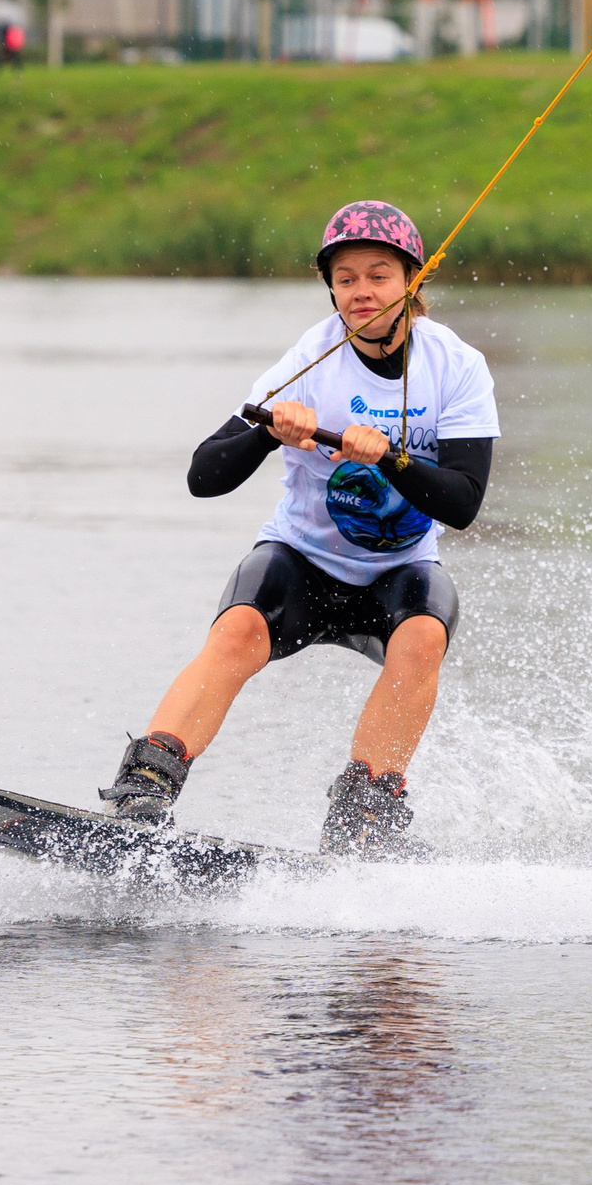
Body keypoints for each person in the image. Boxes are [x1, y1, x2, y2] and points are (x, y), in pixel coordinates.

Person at [98, 201, 499, 857]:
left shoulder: (458, 367)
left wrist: (392, 458)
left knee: (424, 636)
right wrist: (265, 431)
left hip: (398, 573)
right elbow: (205, 476)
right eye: (346, 279)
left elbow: (462, 503)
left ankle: (364, 815)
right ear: (331, 288)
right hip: (301, 561)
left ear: (411, 281)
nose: (362, 292)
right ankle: (146, 786)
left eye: (378, 275)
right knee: (237, 631)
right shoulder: (308, 362)